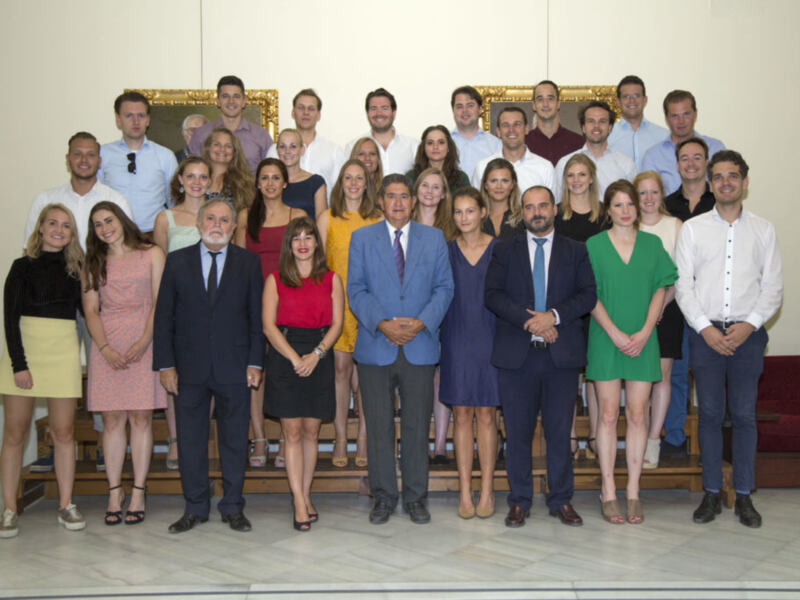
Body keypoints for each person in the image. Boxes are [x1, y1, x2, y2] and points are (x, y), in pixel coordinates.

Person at [675, 150, 782, 528]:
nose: (725, 182)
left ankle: (745, 494)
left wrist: (749, 325)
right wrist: (705, 328)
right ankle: (711, 492)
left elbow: (773, 288)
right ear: (710, 183)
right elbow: (683, 286)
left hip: (747, 335)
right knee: (709, 415)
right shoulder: (693, 229)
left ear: (744, 182)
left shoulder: (763, 230)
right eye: (718, 176)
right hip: (704, 334)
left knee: (744, 415)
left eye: (732, 176)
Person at [485, 185, 597, 528]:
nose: (537, 212)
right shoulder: (504, 249)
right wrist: (531, 321)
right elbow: (492, 295)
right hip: (517, 356)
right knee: (517, 434)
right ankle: (519, 501)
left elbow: (588, 295)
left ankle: (561, 499)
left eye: (543, 206)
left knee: (559, 433)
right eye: (530, 207)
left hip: (560, 357)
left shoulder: (576, 250)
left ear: (554, 209)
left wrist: (554, 317)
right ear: (522, 212)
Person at [154, 197, 265, 534]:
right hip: (189, 367)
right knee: (190, 440)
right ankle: (195, 507)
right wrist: (165, 365)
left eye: (224, 220)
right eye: (211, 218)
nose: (217, 225)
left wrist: (255, 361)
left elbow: (256, 317)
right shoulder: (177, 261)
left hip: (235, 365)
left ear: (234, 227)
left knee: (235, 440)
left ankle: (232, 506)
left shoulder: (248, 263)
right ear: (199, 223)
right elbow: (164, 317)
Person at [25, 131, 134, 474]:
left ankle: (104, 441)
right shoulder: (48, 199)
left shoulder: (114, 199)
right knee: (56, 367)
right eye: (77, 154)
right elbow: (31, 251)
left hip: (103, 297)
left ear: (99, 161)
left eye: (90, 154)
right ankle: (57, 442)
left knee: (102, 366)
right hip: (57, 300)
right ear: (68, 158)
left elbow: (126, 248)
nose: (84, 160)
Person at [348, 174, 454, 525]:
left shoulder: (434, 238)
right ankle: (382, 497)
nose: (398, 203)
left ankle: (415, 497)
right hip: (376, 345)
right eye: (391, 196)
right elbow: (356, 289)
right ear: (380, 201)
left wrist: (421, 323)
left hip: (419, 345)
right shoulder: (362, 238)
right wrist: (382, 323)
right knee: (378, 427)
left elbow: (444, 288)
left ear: (413, 201)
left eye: (404, 196)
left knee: (415, 427)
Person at [585, 180, 677, 525]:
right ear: (607, 209)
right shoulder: (594, 245)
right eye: (618, 205)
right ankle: (608, 489)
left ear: (638, 208)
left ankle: (634, 490)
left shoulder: (652, 244)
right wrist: (613, 332)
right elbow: (589, 293)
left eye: (630, 204)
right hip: (605, 336)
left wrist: (645, 330)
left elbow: (662, 288)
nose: (625, 211)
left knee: (638, 414)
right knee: (608, 415)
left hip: (643, 338)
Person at [0, 205, 85, 538]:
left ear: (72, 234)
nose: (58, 230)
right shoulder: (21, 266)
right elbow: (10, 319)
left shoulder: (77, 270)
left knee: (63, 433)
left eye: (66, 226)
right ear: (41, 227)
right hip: (25, 353)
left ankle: (66, 504)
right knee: (14, 433)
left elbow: (90, 312)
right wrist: (19, 365)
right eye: (53, 223)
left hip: (63, 352)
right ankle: (9, 509)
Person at [82, 202, 166, 526]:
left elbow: (160, 301)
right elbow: (91, 310)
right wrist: (104, 348)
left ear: (121, 219)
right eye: (98, 224)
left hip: (145, 338)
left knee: (141, 418)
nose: (105, 228)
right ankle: (115, 492)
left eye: (109, 220)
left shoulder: (152, 253)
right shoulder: (93, 261)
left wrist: (145, 340)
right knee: (112, 419)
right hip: (107, 343)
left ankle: (140, 491)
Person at [263, 217, 344, 530]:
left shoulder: (332, 279)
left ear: (316, 243)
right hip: (286, 354)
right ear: (289, 245)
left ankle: (306, 493)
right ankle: (298, 500)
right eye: (296, 238)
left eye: (308, 237)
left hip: (319, 352)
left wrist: (317, 355)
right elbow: (268, 326)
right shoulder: (275, 279)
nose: (302, 243)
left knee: (312, 431)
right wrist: (295, 358)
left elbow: (337, 324)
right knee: (292, 432)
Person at [235, 158, 308, 468]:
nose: (270, 183)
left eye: (275, 177)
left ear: (285, 182)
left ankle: (284, 438)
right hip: (253, 300)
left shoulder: (297, 215)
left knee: (283, 372)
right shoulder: (244, 216)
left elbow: (306, 260)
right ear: (257, 183)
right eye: (264, 178)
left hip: (288, 300)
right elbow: (238, 262)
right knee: (256, 371)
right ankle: (260, 438)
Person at [317, 159, 382, 469]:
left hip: (369, 304)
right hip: (337, 303)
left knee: (366, 374)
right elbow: (317, 265)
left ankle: (364, 437)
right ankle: (341, 436)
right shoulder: (327, 218)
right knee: (340, 371)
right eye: (348, 178)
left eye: (359, 178)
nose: (354, 183)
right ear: (340, 183)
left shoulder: (378, 218)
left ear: (367, 183)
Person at [440, 187, 500, 519]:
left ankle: (487, 489)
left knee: (488, 414)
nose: (464, 218)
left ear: (483, 212)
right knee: (461, 414)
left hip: (491, 338)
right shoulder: (445, 250)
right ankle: (464, 490)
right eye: (458, 212)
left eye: (470, 211)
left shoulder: (501, 249)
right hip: (456, 338)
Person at [152, 156, 211, 470]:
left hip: (213, 309)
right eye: (191, 176)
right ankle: (175, 439)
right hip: (179, 308)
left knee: (210, 374)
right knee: (176, 375)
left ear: (210, 181)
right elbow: (159, 268)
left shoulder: (217, 215)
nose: (197, 182)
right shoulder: (166, 219)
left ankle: (200, 436)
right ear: (180, 180)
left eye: (203, 176)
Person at [661, 137, 717, 457]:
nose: (691, 163)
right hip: (676, 302)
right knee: (677, 372)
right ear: (677, 164)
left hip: (712, 300)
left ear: (706, 162)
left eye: (697, 157)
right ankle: (674, 437)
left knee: (710, 373)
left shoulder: (719, 201)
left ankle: (712, 440)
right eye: (685, 158)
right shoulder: (667, 205)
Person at [554, 153, 608, 459]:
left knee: (596, 372)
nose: (576, 180)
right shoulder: (556, 215)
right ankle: (571, 434)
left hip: (599, 303)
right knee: (569, 374)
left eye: (582, 174)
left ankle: (597, 435)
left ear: (591, 178)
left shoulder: (605, 216)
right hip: (566, 304)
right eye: (570, 175)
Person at [635, 171, 683, 469]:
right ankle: (637, 437)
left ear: (662, 194)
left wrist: (660, 306)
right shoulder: (629, 225)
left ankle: (653, 440)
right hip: (633, 312)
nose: (649, 198)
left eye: (654, 192)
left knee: (662, 377)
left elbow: (681, 273)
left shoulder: (675, 225)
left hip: (668, 309)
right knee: (638, 379)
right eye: (642, 193)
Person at [411, 168, 455, 463]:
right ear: (416, 190)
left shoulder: (452, 229)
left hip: (445, 311)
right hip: (410, 313)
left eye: (436, 186)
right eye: (424, 185)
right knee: (417, 379)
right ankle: (417, 442)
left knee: (440, 378)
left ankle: (439, 446)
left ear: (443, 194)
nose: (429, 191)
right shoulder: (403, 224)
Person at [99, 91, 178, 235]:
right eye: (129, 115)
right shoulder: (103, 154)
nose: (136, 121)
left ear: (148, 120)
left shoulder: (165, 156)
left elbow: (174, 202)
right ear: (118, 119)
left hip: (154, 235)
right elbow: (97, 197)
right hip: (114, 235)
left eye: (141, 116)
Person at [642, 90, 725, 195]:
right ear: (666, 118)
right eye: (675, 116)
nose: (681, 121)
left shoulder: (715, 148)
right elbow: (648, 196)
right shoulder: (653, 156)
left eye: (686, 114)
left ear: (695, 114)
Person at [188, 75, 273, 174]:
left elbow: (271, 172)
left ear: (244, 102)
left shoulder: (261, 135)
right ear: (218, 101)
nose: (231, 101)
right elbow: (192, 171)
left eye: (236, 96)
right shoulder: (201, 135)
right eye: (225, 96)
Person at [553, 101, 636, 202]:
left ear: (610, 128)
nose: (596, 125)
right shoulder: (564, 163)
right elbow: (558, 201)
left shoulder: (626, 164)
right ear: (583, 127)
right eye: (591, 121)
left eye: (602, 121)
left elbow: (632, 203)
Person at [266, 89, 344, 195]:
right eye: (301, 108)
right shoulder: (275, 150)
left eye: (311, 109)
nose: (306, 112)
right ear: (293, 112)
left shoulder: (334, 151)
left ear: (318, 115)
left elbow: (340, 191)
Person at [471, 107, 554, 194]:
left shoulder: (545, 168)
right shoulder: (482, 168)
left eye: (517, 124)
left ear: (526, 129)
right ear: (498, 132)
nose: (511, 130)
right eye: (505, 125)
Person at [344, 88, 417, 175]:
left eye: (384, 108)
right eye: (373, 108)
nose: (379, 113)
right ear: (367, 113)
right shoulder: (352, 147)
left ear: (394, 113)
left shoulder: (413, 146)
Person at [607, 75, 668, 170]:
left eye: (637, 96)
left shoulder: (663, 136)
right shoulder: (608, 135)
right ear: (618, 102)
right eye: (626, 96)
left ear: (645, 100)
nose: (632, 100)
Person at [524, 80, 584, 166]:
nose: (545, 104)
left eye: (550, 98)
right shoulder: (524, 143)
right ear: (534, 105)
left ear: (558, 104)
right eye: (540, 99)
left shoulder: (578, 143)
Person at [450, 85, 502, 179]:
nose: (465, 110)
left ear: (480, 109)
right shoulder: (444, 144)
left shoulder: (496, 145)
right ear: (453, 111)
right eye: (459, 106)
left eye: (470, 105)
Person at [275, 129, 327, 219]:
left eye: (293, 146)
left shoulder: (316, 182)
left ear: (302, 150)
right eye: (282, 147)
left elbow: (322, 221)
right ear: (277, 151)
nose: (287, 151)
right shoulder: (270, 183)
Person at [202, 126, 254, 213]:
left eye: (228, 146)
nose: (222, 149)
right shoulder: (196, 178)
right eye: (217, 144)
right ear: (208, 148)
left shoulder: (245, 184)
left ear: (234, 151)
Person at [405, 125, 470, 193]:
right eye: (430, 143)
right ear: (424, 148)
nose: (435, 147)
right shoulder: (411, 177)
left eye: (441, 142)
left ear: (448, 147)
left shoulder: (461, 179)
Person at [479, 158, 524, 241]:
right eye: (493, 181)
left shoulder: (523, 216)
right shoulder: (476, 217)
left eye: (505, 181)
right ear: (485, 185)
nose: (499, 186)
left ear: (512, 184)